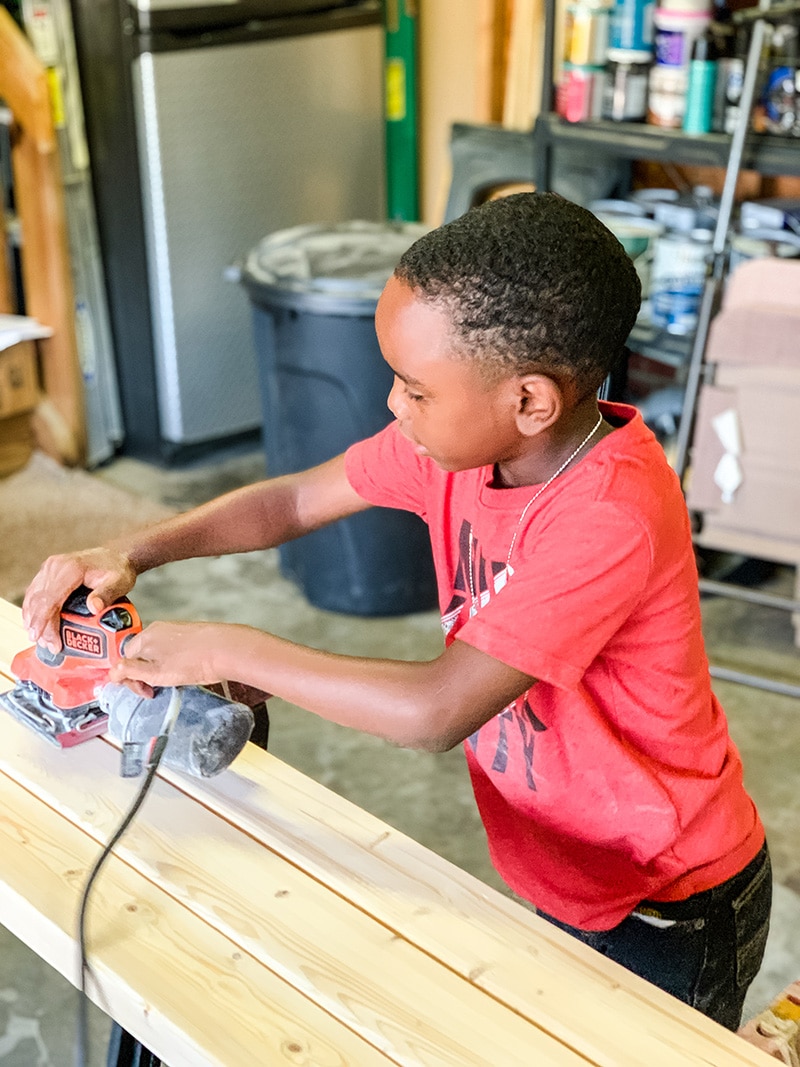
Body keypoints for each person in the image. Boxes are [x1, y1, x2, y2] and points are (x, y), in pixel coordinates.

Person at [22, 192, 770, 1030]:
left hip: (666, 899)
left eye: (415, 390)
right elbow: (296, 500)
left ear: (530, 402)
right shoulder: (463, 445)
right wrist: (133, 550)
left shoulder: (609, 512)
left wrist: (232, 648)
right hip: (565, 865)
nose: (391, 406)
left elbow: (433, 709)